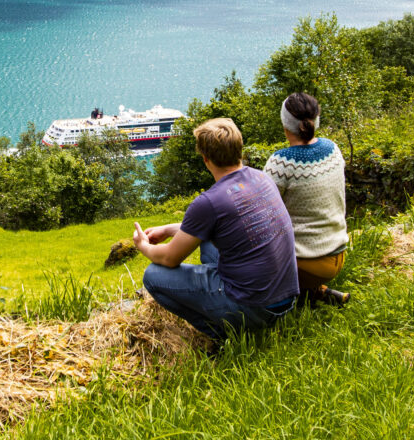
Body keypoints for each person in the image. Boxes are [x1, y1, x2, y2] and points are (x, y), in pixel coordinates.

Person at [134, 118, 299, 340]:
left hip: (255, 307)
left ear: (205, 159)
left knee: (153, 275)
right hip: (285, 298)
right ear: (239, 150)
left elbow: (169, 259)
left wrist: (143, 246)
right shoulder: (261, 177)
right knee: (208, 243)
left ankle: (222, 334)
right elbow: (225, 224)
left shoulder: (209, 202)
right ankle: (234, 319)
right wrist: (169, 229)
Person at [264, 92, 350, 306]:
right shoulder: (333, 149)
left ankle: (275, 308)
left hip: (306, 263)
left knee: (234, 250)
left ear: (285, 125)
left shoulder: (281, 163)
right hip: (337, 253)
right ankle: (315, 292)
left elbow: (260, 212)